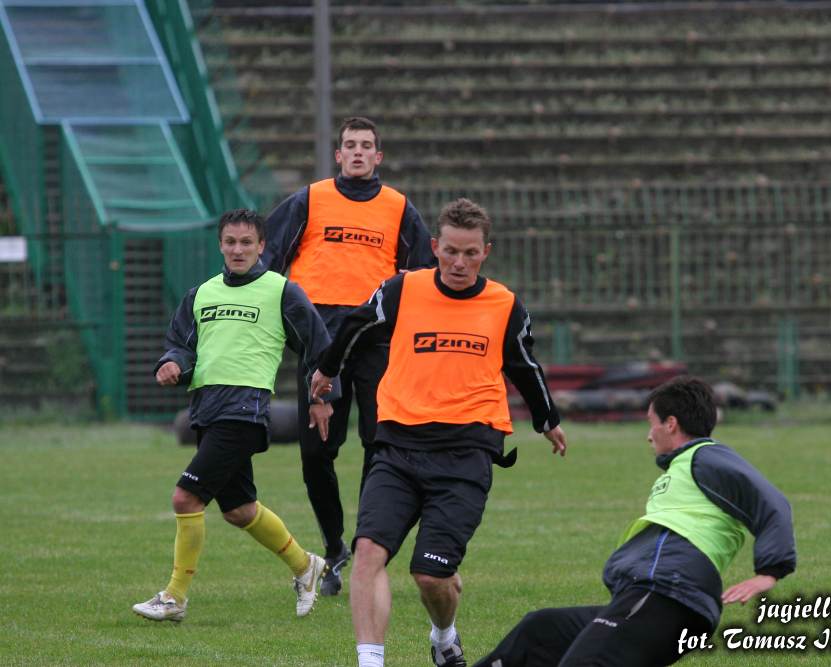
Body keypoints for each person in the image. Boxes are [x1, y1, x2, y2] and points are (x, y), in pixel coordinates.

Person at [310, 198, 569, 667]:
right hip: (398, 446)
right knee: (368, 553)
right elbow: (354, 327)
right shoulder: (401, 290)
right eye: (450, 251)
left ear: (485, 252)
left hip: (466, 452)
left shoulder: (504, 305)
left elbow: (524, 365)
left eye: (470, 253)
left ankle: (444, 636)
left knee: (431, 576)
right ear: (434, 247)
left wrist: (546, 418)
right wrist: (327, 370)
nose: (459, 263)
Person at [472, 376, 796, 667]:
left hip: (667, 593)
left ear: (671, 424)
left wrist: (770, 572)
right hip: (653, 596)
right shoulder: (686, 466)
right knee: (540, 631)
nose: (648, 436)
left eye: (651, 423)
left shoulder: (706, 456)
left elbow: (773, 502)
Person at [132, 209, 339, 623]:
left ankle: (174, 598)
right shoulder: (201, 294)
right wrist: (172, 364)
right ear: (220, 245)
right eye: (230, 242)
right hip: (207, 409)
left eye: (247, 242)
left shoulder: (281, 291)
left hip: (246, 410)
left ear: (262, 246)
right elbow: (181, 346)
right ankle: (306, 566)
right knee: (239, 509)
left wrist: (321, 398)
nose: (238, 249)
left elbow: (318, 346)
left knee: (186, 497)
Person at [263, 116, 434, 596]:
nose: (358, 152)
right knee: (316, 451)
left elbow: (423, 276)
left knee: (380, 447)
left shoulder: (398, 208)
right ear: (338, 155)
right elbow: (268, 259)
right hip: (320, 342)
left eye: (366, 146)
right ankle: (335, 545)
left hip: (378, 342)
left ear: (378, 156)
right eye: (350, 145)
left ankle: (368, 546)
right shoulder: (309, 200)